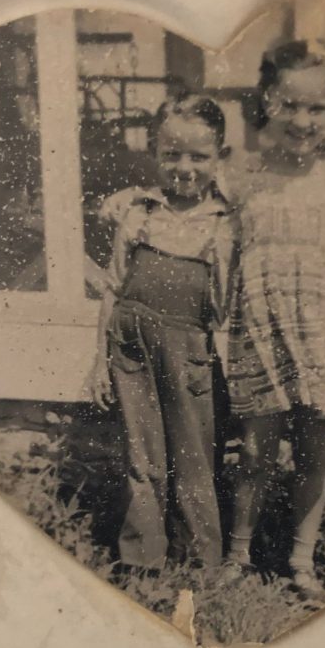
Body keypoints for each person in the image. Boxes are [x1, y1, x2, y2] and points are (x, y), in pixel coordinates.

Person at [226, 41, 325, 590]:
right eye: (289, 105)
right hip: (261, 331)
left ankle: (301, 562)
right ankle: (238, 557)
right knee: (254, 451)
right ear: (268, 101)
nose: (302, 120)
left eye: (316, 109)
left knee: (314, 451)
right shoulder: (243, 176)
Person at [89, 96, 237, 570]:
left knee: (195, 458)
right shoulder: (139, 212)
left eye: (199, 156)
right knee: (142, 457)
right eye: (172, 154)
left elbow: (225, 306)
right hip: (130, 349)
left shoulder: (224, 224)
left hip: (189, 351)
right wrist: (98, 362)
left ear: (219, 157)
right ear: (155, 152)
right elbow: (112, 289)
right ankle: (142, 560)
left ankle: (199, 562)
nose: (185, 167)